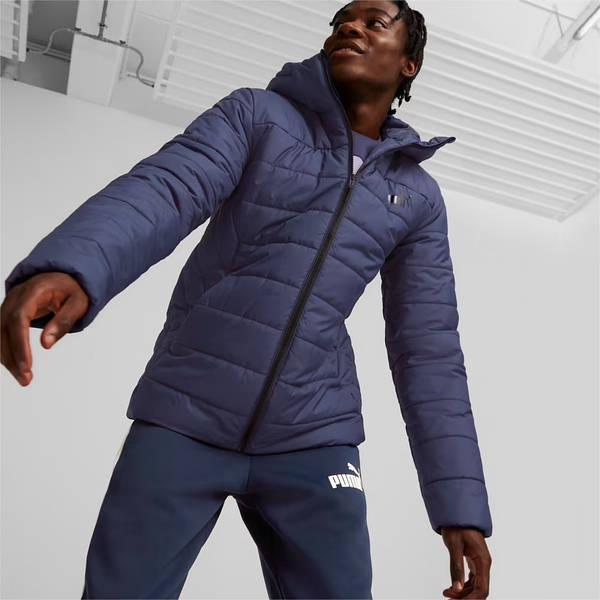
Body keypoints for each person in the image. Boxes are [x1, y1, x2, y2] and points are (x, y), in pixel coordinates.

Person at [1, 0, 493, 598]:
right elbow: (169, 188)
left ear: (408, 63)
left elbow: (428, 349)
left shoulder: (417, 196)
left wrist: (459, 505)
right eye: (342, 20)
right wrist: (73, 266)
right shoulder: (258, 116)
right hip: (185, 413)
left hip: (315, 434)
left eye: (374, 22)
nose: (349, 26)